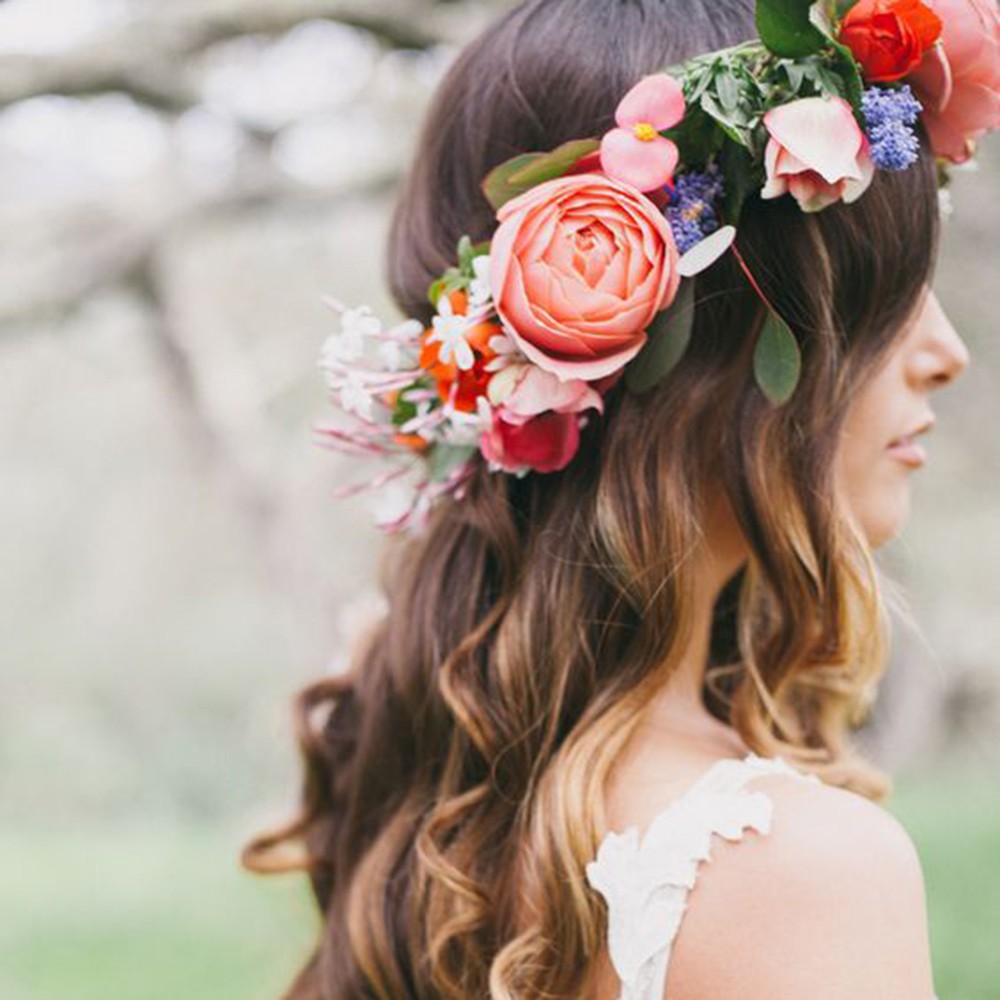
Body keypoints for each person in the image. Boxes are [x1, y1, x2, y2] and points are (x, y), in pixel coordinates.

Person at [243, 0, 995, 997]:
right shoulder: (796, 870)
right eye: (882, 293)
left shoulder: (422, 774)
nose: (945, 354)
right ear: (703, 342)